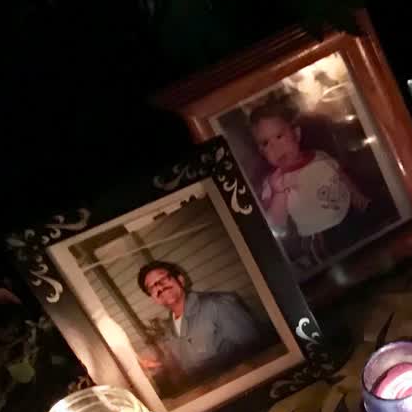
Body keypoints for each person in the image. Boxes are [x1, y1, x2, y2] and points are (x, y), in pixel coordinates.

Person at [248, 96, 373, 272]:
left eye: (279, 136)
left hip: (348, 216)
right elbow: (276, 223)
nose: (275, 147)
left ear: (297, 134)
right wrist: (279, 193)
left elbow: (341, 176)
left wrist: (357, 196)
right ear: (261, 152)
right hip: (319, 237)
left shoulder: (320, 156)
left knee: (368, 255)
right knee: (339, 269)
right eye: (266, 143)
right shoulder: (274, 181)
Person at [135, 261, 267, 388]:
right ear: (153, 298)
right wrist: (157, 367)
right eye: (152, 287)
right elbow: (187, 368)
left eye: (163, 279)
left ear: (180, 280)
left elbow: (261, 355)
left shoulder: (218, 304)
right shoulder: (170, 331)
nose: (159, 287)